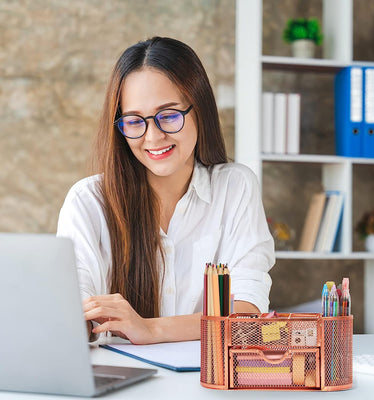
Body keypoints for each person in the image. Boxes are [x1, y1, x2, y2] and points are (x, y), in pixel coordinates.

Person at [57, 36, 275, 345]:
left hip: (207, 383)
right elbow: (73, 309)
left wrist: (150, 329)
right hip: (122, 382)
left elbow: (247, 314)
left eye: (169, 115)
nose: (153, 136)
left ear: (199, 109)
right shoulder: (88, 201)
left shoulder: (235, 187)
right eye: (134, 121)